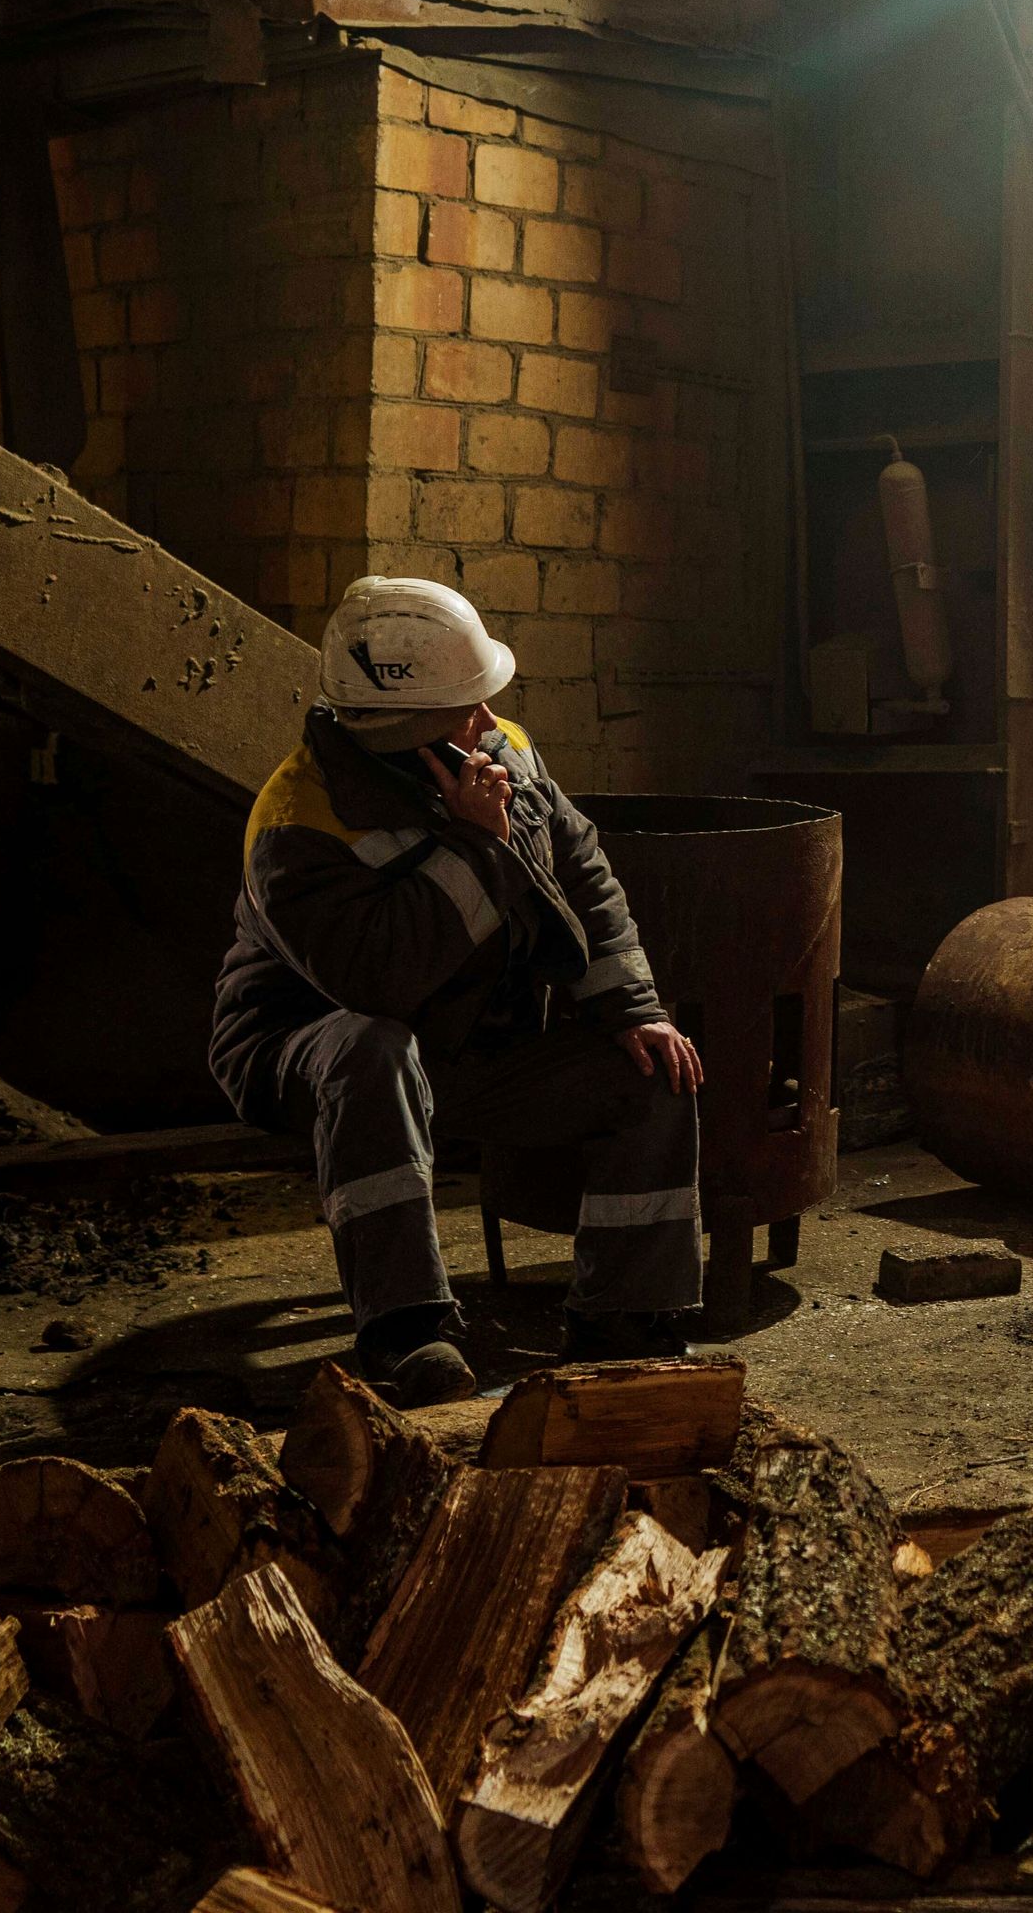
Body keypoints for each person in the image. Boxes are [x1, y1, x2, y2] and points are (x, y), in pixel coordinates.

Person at [205, 576, 704, 1404]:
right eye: (462, 711)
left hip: (467, 1046)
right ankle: (407, 1335)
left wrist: (633, 1010)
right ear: (395, 731)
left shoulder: (499, 749)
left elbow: (584, 875)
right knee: (376, 1048)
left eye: (484, 702)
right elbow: (379, 982)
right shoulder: (298, 823)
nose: (485, 725)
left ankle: (623, 1318)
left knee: (654, 1070)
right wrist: (477, 850)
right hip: (311, 1049)